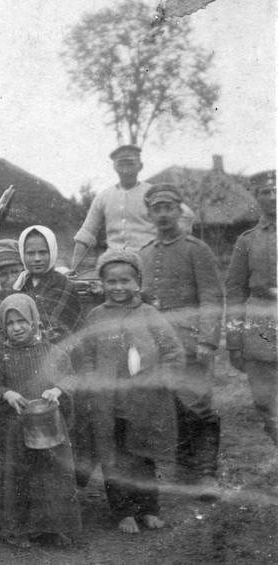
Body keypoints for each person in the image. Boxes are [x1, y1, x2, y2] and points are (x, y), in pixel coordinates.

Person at [78, 249, 184, 535]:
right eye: (111, 281)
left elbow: (173, 352)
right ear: (102, 284)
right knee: (113, 459)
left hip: (144, 405)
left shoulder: (149, 314)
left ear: (138, 282)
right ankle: (123, 511)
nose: (118, 287)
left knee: (143, 458)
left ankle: (149, 508)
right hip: (108, 405)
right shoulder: (96, 316)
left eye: (125, 281)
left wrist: (160, 379)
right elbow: (87, 355)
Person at [139, 184, 224, 499]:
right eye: (157, 209)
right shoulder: (144, 253)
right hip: (156, 345)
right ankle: (185, 468)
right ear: (150, 213)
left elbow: (212, 296)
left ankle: (206, 476)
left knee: (198, 406)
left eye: (168, 208)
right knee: (169, 406)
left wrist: (208, 340)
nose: (163, 214)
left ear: (179, 211)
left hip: (190, 342)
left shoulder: (196, 249)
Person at [0, 294, 82, 548]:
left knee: (52, 475)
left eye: (22, 321)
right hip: (15, 427)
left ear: (33, 320)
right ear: (3, 326)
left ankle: (56, 528)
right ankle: (19, 531)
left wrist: (58, 390)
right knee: (19, 478)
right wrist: (5, 393)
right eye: (9, 323)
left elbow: (71, 377)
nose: (17, 328)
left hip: (48, 424)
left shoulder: (51, 351)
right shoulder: (1, 355)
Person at [69, 145, 194, 274]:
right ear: (115, 167)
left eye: (130, 164)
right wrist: (73, 270)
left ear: (140, 166)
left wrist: (169, 246)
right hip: (112, 263)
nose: (126, 170)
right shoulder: (104, 196)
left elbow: (186, 214)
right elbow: (86, 233)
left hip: (147, 262)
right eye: (121, 164)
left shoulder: (152, 193)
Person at [225, 170, 277, 446]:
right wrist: (234, 341)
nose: (272, 196)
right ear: (256, 198)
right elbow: (234, 292)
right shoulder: (247, 241)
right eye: (265, 192)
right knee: (268, 408)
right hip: (262, 333)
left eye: (275, 190)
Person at [9, 226, 83, 346]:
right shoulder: (18, 286)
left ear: (52, 252)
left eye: (43, 252)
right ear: (22, 254)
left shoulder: (65, 286)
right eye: (30, 253)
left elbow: (68, 329)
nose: (37, 258)